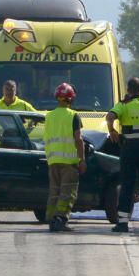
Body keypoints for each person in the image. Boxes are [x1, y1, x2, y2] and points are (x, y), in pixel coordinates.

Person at [106, 77, 139, 233]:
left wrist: (112, 130)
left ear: (128, 90)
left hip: (129, 149)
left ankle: (122, 223)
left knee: (127, 185)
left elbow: (110, 116)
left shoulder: (123, 105)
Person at [44, 82, 87, 232]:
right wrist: (82, 159)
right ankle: (60, 219)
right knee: (67, 193)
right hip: (69, 162)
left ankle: (51, 218)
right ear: (71, 99)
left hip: (53, 160)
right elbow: (78, 139)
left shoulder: (49, 116)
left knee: (54, 191)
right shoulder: (73, 116)